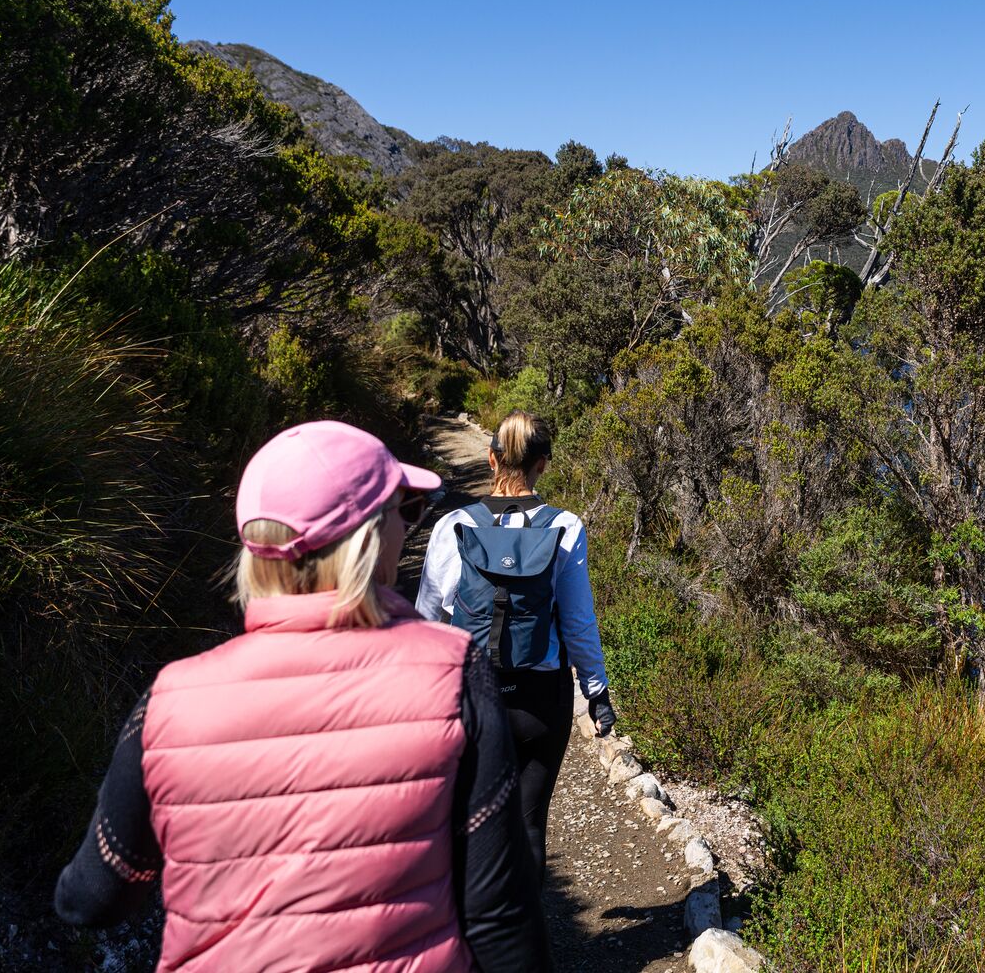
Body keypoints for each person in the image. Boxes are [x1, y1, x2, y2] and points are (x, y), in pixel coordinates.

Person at [53, 420, 552, 973]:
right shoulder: (455, 674)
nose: (409, 530)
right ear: (366, 536)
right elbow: (498, 915)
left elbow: (91, 898)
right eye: (405, 511)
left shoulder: (169, 702)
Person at [415, 410, 613, 872]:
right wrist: (597, 692)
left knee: (467, 825)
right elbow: (578, 622)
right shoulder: (565, 529)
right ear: (542, 463)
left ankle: (472, 937)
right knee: (528, 827)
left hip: (471, 698)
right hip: (540, 701)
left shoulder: (453, 526)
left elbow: (427, 618)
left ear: (491, 459)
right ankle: (529, 938)